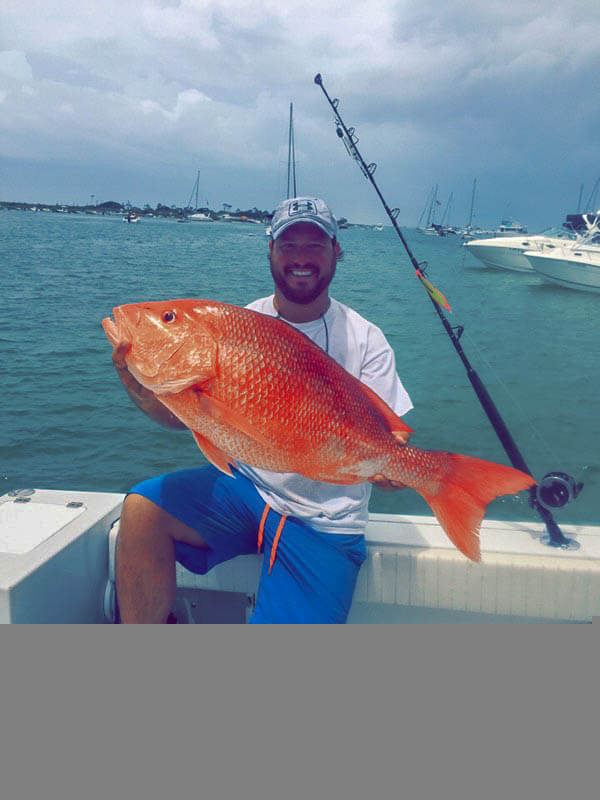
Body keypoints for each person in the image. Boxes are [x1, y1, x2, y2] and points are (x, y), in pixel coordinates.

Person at [112, 196, 413, 623]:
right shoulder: (242, 322)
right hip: (247, 490)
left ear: (336, 252)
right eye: (288, 246)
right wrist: (145, 393)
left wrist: (392, 464)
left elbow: (391, 437)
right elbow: (192, 419)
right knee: (142, 509)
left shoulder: (367, 339)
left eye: (315, 245)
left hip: (323, 517)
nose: (301, 258)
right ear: (270, 251)